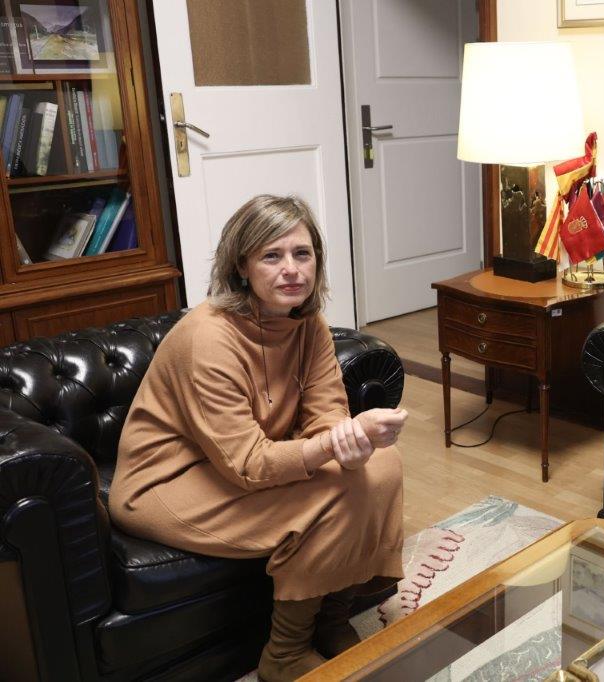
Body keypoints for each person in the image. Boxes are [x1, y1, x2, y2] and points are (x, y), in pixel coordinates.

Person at [109, 195, 408, 682]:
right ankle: (285, 655)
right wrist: (333, 450)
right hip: (166, 482)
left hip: (241, 462)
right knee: (333, 494)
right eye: (272, 256)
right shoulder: (208, 337)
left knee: (382, 467)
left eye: (302, 254)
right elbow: (246, 464)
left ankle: (331, 618)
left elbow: (326, 413)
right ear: (242, 266)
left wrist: (351, 440)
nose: (291, 269)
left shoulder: (307, 324)